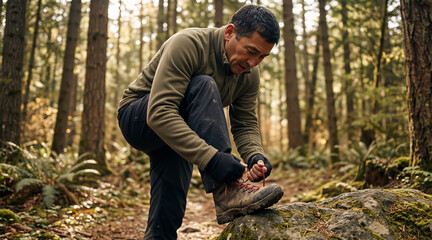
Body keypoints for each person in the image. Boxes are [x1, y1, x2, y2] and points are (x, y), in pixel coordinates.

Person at [117, 4, 284, 239]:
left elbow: (245, 123)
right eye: (251, 51)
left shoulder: (249, 75)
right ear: (229, 33)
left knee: (170, 208)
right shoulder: (189, 44)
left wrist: (255, 156)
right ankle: (227, 192)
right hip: (137, 117)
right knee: (204, 84)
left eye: (262, 57)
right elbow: (160, 112)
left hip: (181, 127)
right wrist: (215, 161)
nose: (253, 63)